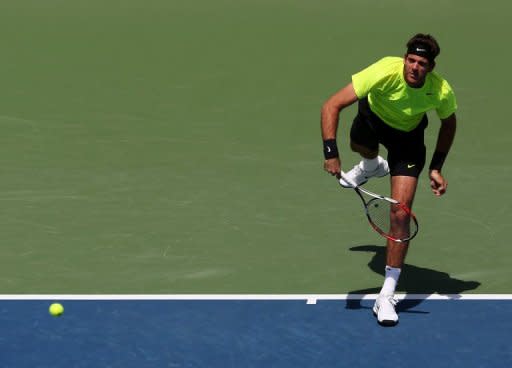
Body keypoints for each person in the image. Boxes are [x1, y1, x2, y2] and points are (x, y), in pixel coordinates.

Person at [320, 33, 457, 326]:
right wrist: (331, 153)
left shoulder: (441, 90)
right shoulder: (383, 70)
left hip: (408, 141)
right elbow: (331, 105)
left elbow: (449, 123)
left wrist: (436, 167)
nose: (414, 67)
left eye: (422, 63)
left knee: (400, 212)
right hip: (372, 121)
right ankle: (371, 165)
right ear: (404, 59)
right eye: (411, 60)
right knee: (360, 145)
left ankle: (387, 294)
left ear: (430, 68)